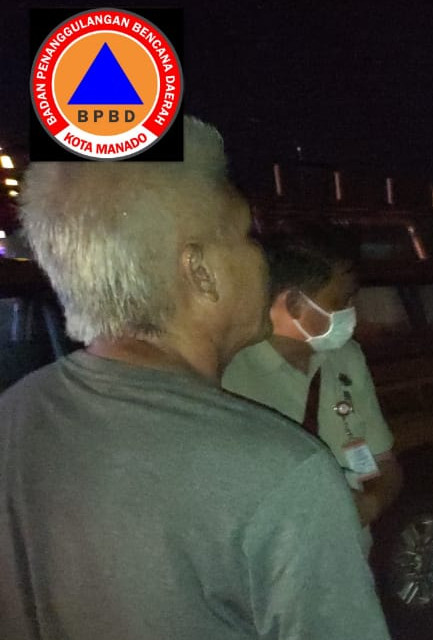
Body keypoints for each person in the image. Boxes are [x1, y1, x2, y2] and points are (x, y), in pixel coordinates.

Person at [0, 117, 390, 640]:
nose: (263, 260)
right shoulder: (280, 472)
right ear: (200, 271)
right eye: (247, 235)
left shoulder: (15, 414)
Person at [222, 226, 403, 555]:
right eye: (341, 300)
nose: (351, 310)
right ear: (294, 303)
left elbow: (382, 463)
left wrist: (370, 504)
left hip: (347, 562)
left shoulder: (346, 359)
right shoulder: (228, 371)